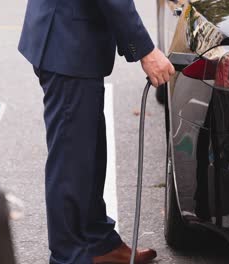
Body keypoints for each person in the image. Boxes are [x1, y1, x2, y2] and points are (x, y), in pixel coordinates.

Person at [18, 0, 175, 263]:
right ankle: (69, 256)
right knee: (71, 161)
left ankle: (98, 243)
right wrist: (146, 51)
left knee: (88, 154)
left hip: (73, 40)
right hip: (65, 42)